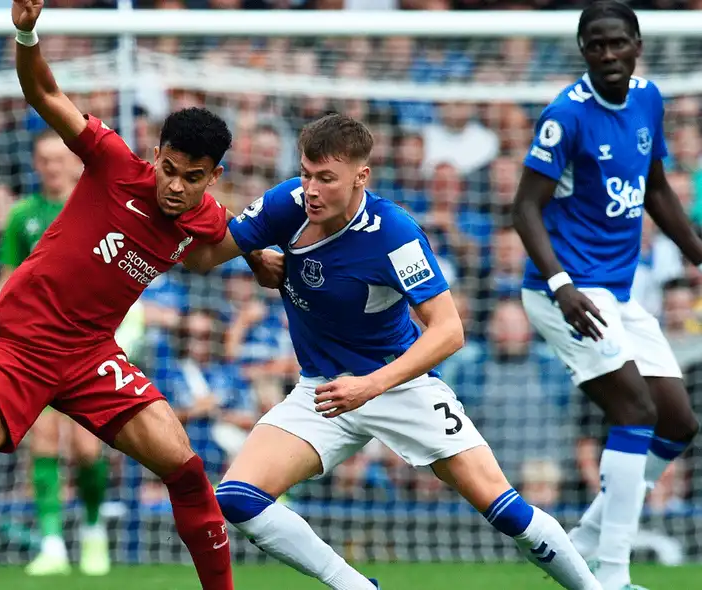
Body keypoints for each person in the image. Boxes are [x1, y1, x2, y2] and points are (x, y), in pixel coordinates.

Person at [0, 1, 276, 588]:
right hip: (18, 346)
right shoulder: (113, 162)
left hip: (91, 356)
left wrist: (262, 257)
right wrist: (27, 30)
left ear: (213, 177)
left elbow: (210, 254)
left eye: (192, 178)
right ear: (157, 153)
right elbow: (43, 94)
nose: (174, 185)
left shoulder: (206, 220)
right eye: (169, 168)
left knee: (186, 469)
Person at [184, 114, 602, 590]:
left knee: (504, 509)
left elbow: (449, 331)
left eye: (326, 177)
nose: (311, 188)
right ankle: (357, 586)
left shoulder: (393, 234)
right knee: (237, 498)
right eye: (305, 173)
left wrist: (372, 386)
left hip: (396, 384)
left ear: (361, 177)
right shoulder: (286, 204)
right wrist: (254, 254)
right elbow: (201, 257)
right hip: (323, 390)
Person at [513, 3, 700, 589]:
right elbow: (523, 209)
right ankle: (613, 577)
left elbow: (657, 190)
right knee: (635, 412)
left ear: (637, 44)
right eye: (597, 46)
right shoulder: (564, 116)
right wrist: (563, 285)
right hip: (564, 291)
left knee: (678, 423)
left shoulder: (647, 99)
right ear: (583, 51)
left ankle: (588, 539)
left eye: (618, 43)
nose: (609, 55)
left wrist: (698, 252)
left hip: (615, 291)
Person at [0, 130, 111, 577]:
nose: (51, 166)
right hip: (36, 345)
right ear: (35, 164)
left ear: (74, 162)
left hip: (88, 342)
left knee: (86, 447)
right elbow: (7, 279)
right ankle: (51, 544)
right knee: (42, 440)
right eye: (43, 159)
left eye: (58, 158)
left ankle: (94, 529)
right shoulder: (22, 215)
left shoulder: (93, 209)